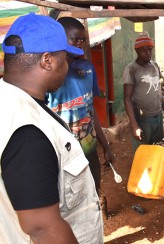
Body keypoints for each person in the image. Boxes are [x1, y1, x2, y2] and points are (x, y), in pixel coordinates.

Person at [0, 13, 103, 243]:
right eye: (65, 58)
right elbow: (43, 229)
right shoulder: (28, 132)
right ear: (48, 61)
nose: (67, 66)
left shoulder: (9, 101)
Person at [46, 17, 113, 208]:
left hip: (88, 149)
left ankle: (98, 213)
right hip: (63, 154)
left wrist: (106, 147)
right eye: (74, 39)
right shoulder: (49, 76)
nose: (80, 44)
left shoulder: (87, 69)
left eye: (83, 40)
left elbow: (90, 110)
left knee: (93, 188)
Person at [123, 32, 164, 155]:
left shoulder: (154, 65)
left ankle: (156, 173)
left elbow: (158, 90)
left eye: (150, 49)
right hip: (142, 118)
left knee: (158, 149)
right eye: (144, 50)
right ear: (137, 50)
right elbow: (127, 98)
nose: (148, 52)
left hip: (157, 115)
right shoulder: (131, 69)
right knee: (143, 152)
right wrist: (134, 125)